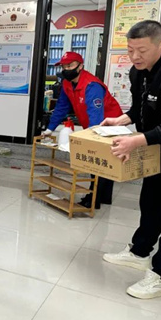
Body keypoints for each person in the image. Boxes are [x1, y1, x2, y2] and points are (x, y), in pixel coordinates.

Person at [101, 20, 161, 300]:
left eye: (142, 50)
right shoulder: (137, 72)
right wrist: (122, 120)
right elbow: (141, 108)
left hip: (156, 141)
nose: (135, 56)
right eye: (130, 50)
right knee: (151, 201)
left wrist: (136, 140)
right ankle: (140, 252)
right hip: (155, 149)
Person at [43, 51, 123, 208]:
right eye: (64, 66)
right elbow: (62, 107)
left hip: (110, 125)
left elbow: (96, 115)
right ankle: (102, 197)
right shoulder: (67, 83)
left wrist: (91, 137)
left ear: (80, 66)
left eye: (70, 65)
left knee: (101, 161)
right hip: (94, 125)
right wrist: (50, 128)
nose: (66, 69)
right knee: (104, 161)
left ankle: (94, 199)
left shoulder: (92, 85)